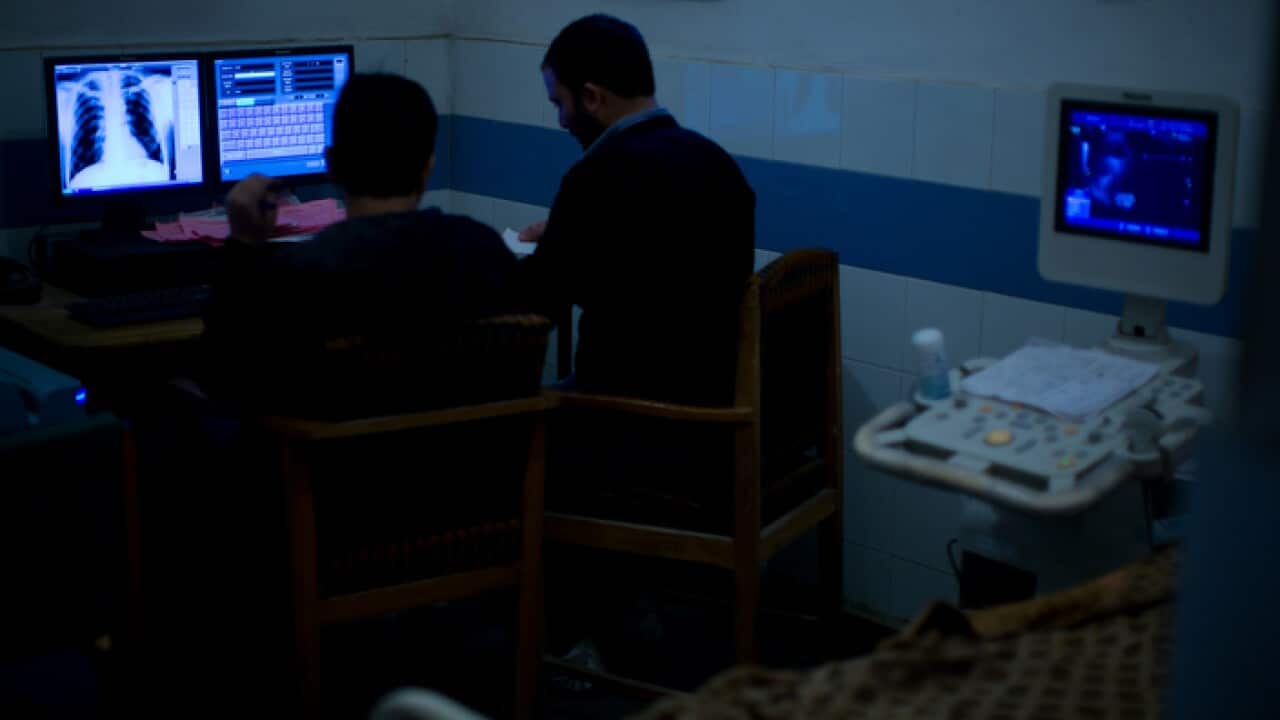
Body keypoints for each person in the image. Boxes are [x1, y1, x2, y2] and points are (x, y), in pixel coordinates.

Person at [201, 72, 518, 413]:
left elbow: (224, 378)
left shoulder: (300, 275)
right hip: (468, 464)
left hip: (336, 465)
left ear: (332, 165)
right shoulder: (485, 252)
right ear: (428, 169)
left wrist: (244, 244)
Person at [513, 13, 756, 406]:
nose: (561, 121)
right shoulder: (716, 162)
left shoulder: (599, 176)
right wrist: (569, 233)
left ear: (592, 97)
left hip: (628, 415)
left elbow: (541, 293)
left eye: (560, 104)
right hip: (713, 404)